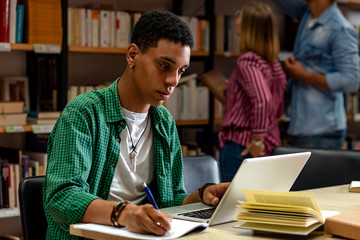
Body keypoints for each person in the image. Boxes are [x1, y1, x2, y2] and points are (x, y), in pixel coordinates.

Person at [43, 10, 229, 239]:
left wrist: (201, 196)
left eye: (181, 71)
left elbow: (169, 199)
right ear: (132, 55)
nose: (174, 81)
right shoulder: (84, 113)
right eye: (164, 66)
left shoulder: (164, 122)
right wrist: (125, 213)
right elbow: (62, 197)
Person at [271, 0, 360, 149]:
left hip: (321, 131)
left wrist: (303, 75)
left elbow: (351, 80)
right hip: (302, 126)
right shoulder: (308, 13)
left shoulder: (340, 29)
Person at [218, 2, 287, 182]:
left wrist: (257, 139)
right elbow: (277, 104)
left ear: (250, 26)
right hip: (269, 144)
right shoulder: (274, 64)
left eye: (240, 16)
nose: (236, 20)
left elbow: (263, 99)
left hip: (244, 147)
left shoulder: (247, 61)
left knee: (232, 204)